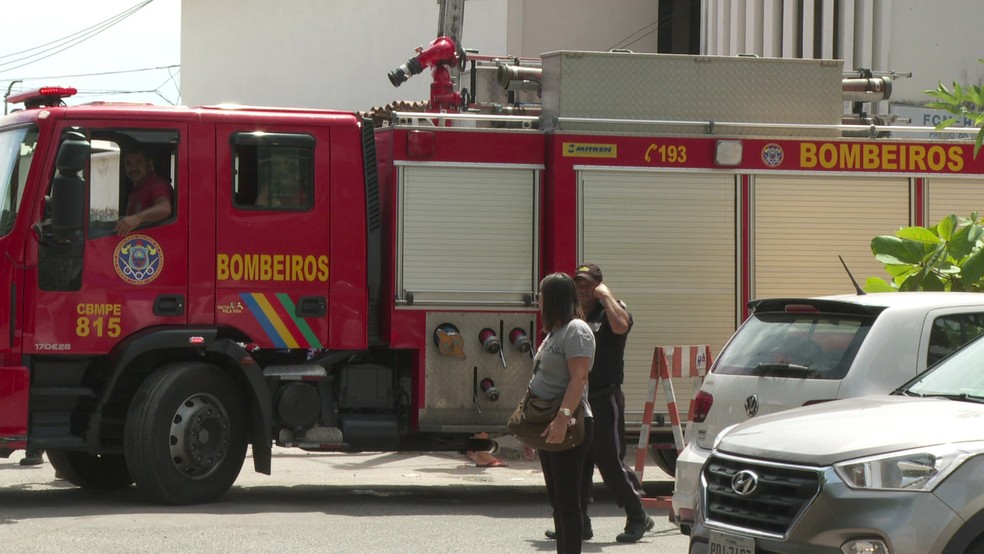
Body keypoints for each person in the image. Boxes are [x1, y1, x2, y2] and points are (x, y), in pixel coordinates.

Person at [549, 263, 653, 543]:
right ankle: (580, 523)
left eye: (588, 285)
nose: (582, 290)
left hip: (604, 396)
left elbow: (621, 327)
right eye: (578, 285)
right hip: (580, 397)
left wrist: (606, 297)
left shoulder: (611, 310)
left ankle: (638, 515)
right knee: (577, 461)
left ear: (598, 286)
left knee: (608, 461)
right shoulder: (575, 314)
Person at [531, 272, 595, 554]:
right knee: (557, 503)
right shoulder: (553, 333)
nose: (538, 300)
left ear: (554, 298)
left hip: (568, 424)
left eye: (542, 294)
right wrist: (529, 429)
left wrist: (561, 418)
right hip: (549, 424)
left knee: (569, 504)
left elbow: (578, 379)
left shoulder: (576, 330)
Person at [115, 145, 173, 236]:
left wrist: (137, 218)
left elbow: (165, 208)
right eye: (128, 163)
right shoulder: (138, 187)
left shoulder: (156, 184)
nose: (133, 168)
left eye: (138, 162)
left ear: (149, 164)